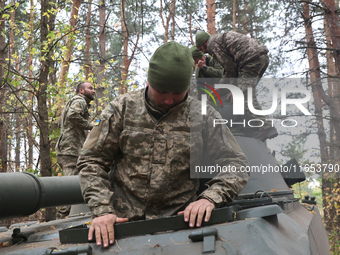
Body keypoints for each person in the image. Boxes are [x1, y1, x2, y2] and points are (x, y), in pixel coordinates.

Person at [77, 41, 249, 248]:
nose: (168, 101)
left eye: (177, 95)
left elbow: (236, 163)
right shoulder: (121, 109)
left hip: (182, 225)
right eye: (162, 93)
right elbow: (92, 161)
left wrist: (210, 198)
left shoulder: (203, 115)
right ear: (149, 81)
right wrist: (102, 210)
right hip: (122, 227)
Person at [196, 31, 278, 141]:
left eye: (201, 49)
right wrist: (221, 88)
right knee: (246, 92)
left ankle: (267, 127)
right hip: (261, 58)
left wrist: (232, 88)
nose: (204, 52)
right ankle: (261, 127)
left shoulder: (212, 44)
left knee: (244, 95)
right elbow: (230, 70)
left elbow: (230, 67)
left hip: (249, 60)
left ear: (204, 42)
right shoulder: (219, 39)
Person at [55, 81, 95, 219]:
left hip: (69, 149)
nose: (93, 90)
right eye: (90, 88)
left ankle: (65, 219)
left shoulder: (74, 101)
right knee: (70, 186)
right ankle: (60, 220)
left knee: (75, 184)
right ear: (81, 90)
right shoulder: (79, 100)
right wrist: (91, 126)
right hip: (70, 150)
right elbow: (73, 116)